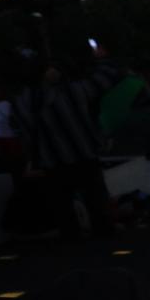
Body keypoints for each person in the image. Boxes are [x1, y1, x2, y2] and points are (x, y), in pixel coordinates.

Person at [11, 50, 121, 240]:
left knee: (62, 207)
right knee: (95, 199)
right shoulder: (72, 92)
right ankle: (104, 235)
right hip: (83, 154)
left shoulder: (21, 102)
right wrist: (101, 57)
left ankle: (71, 238)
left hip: (50, 162)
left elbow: (18, 130)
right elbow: (106, 78)